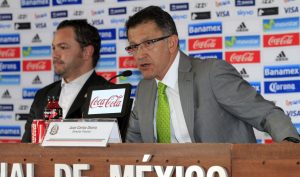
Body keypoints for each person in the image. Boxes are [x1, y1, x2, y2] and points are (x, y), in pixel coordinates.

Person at [125, 6, 300, 143]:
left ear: (171, 43)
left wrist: (290, 142)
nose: (139, 55)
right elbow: (133, 144)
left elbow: (267, 113)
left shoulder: (212, 74)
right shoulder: (144, 88)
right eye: (134, 47)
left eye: (148, 43)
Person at [22, 20, 110, 142]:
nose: (54, 54)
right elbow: (26, 148)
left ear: (86, 52)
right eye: (53, 48)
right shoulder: (43, 95)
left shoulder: (108, 95)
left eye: (63, 47)